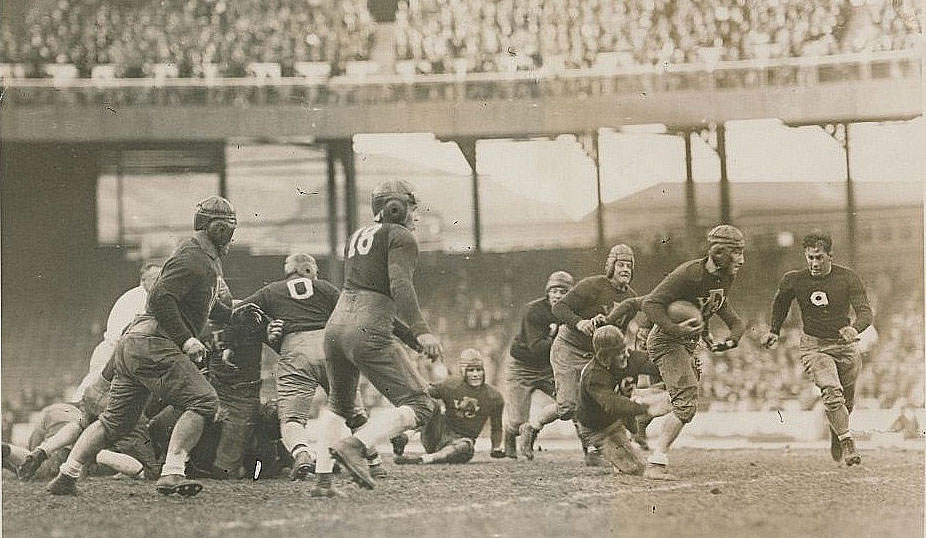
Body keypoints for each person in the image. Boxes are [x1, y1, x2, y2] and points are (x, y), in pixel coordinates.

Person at [47, 196, 239, 497]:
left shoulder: (201, 257)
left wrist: (236, 314)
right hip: (153, 342)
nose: (230, 234)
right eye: (227, 227)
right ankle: (173, 472)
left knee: (114, 421)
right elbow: (161, 298)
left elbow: (205, 307)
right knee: (204, 402)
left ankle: (67, 474)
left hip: (134, 343)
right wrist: (186, 339)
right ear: (215, 228)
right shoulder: (193, 257)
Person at [312, 179, 442, 496]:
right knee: (421, 405)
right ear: (396, 208)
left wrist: (412, 339)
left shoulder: (357, 236)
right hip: (367, 328)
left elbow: (369, 293)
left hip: (336, 327)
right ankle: (356, 445)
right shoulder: (401, 236)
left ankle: (323, 481)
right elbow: (398, 286)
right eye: (413, 208)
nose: (417, 216)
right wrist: (422, 330)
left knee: (338, 406)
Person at [237, 253, 391, 480]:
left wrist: (267, 330)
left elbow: (240, 311)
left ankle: (302, 453)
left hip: (296, 348)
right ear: (310, 271)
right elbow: (352, 316)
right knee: (355, 412)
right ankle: (375, 463)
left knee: (291, 418)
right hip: (331, 347)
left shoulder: (272, 290)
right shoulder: (325, 288)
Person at [642, 224, 747, 480]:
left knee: (676, 400)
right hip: (667, 340)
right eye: (737, 252)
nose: (742, 260)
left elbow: (730, 318)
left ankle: (635, 416)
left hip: (686, 343)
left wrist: (728, 340)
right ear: (719, 252)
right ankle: (656, 462)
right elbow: (650, 304)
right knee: (686, 403)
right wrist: (676, 329)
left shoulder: (724, 277)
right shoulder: (689, 273)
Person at [761, 232, 873, 466]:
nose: (814, 263)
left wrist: (855, 328)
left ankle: (837, 433)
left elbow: (865, 312)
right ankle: (847, 442)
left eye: (819, 258)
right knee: (832, 393)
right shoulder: (794, 279)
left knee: (846, 402)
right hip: (815, 346)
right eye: (810, 257)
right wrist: (774, 330)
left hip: (845, 346)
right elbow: (780, 302)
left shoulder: (848, 277)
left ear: (830, 256)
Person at [522, 244, 638, 466]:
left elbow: (618, 333)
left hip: (595, 354)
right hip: (568, 346)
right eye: (621, 264)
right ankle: (532, 427)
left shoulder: (630, 299)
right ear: (611, 266)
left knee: (596, 403)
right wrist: (580, 322)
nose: (625, 270)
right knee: (567, 407)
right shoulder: (593, 285)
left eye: (629, 266)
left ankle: (593, 451)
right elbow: (559, 308)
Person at [576, 326, 671, 477]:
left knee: (633, 462)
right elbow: (612, 404)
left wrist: (683, 365)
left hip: (618, 418)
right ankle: (599, 450)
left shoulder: (630, 357)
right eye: (619, 353)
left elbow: (657, 365)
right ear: (606, 356)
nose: (626, 355)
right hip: (597, 428)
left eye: (625, 349)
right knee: (635, 468)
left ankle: (620, 446)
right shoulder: (594, 375)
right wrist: (648, 408)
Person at [502, 271, 573, 459]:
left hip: (549, 368)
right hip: (523, 367)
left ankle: (589, 450)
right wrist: (562, 339)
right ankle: (509, 436)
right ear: (547, 292)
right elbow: (536, 347)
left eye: (563, 292)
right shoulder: (534, 310)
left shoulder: (572, 313)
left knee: (571, 402)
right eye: (554, 291)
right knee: (517, 421)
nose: (558, 295)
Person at [394, 349, 505, 465]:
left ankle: (423, 459)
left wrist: (496, 447)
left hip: (460, 443)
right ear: (463, 372)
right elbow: (423, 392)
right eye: (471, 370)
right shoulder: (451, 385)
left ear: (484, 371)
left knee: (466, 445)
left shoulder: (494, 396)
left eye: (479, 370)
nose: (476, 374)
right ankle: (406, 436)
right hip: (436, 436)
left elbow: (497, 427)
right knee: (431, 404)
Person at [73, 263, 162, 402]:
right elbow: (127, 334)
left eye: (161, 277)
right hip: (112, 352)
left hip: (125, 353)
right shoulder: (135, 297)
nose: (159, 281)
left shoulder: (152, 298)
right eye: (154, 277)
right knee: (91, 394)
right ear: (143, 280)